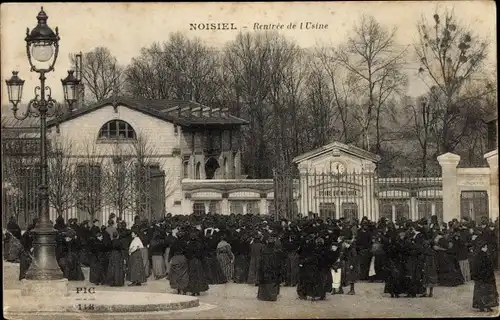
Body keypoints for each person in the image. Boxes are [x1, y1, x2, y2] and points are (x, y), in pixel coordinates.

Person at [471, 242, 499, 312]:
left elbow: (475, 268)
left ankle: (481, 306)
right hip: (486, 277)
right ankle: (488, 306)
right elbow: (487, 267)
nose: (486, 248)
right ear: (482, 248)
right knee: (487, 292)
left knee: (480, 292)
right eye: (486, 247)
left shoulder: (477, 256)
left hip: (479, 278)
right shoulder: (485, 256)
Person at [257, 236, 282, 301]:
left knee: (263, 283)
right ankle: (271, 297)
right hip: (272, 271)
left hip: (264, 270)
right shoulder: (276, 251)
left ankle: (263, 296)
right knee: (272, 283)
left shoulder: (263, 250)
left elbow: (260, 261)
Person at [169, 230, 189, 295]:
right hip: (182, 258)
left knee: (175, 274)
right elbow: (187, 252)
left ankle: (178, 289)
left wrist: (169, 259)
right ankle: (184, 289)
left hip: (175, 258)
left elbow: (171, 252)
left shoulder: (174, 243)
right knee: (184, 274)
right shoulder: (184, 243)